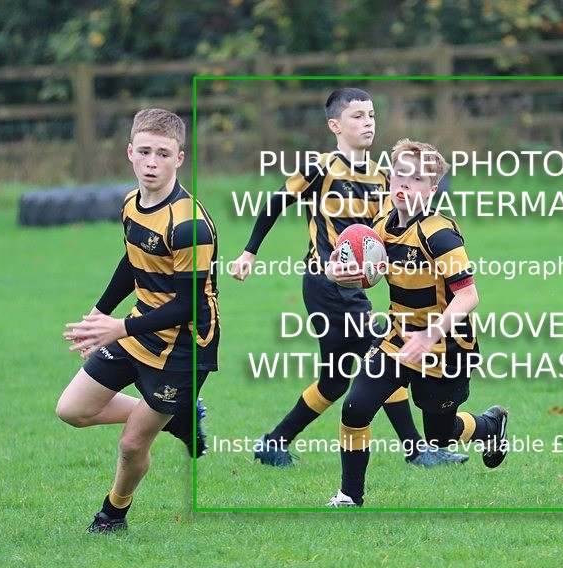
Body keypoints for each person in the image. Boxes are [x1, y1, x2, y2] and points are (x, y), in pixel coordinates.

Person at [227, 88, 464, 467]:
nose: (368, 122)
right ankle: (417, 450)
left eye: (371, 114)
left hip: (356, 286)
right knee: (385, 352)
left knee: (336, 381)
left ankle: (274, 442)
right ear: (335, 125)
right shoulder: (320, 167)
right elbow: (275, 201)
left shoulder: (383, 176)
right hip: (327, 284)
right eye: (357, 116)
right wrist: (250, 251)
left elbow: (390, 230)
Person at [57, 108, 220, 532]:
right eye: (144, 151)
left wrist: (118, 328)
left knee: (132, 444)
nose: (152, 162)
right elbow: (132, 262)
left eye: (163, 154)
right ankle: (181, 417)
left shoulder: (190, 226)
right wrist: (101, 313)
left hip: (184, 347)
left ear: (179, 159)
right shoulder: (132, 203)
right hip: (138, 327)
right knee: (72, 410)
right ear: (130, 152)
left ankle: (113, 513)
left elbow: (190, 305)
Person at [323, 138, 508, 507]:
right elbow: (361, 268)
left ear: (432, 188)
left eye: (417, 179)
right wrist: (334, 272)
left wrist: (430, 334)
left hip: (446, 346)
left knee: (440, 436)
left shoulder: (439, 234)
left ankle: (489, 426)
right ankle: (349, 496)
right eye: (400, 175)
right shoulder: (379, 224)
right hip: (397, 337)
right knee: (355, 408)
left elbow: (469, 296)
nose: (405, 184)